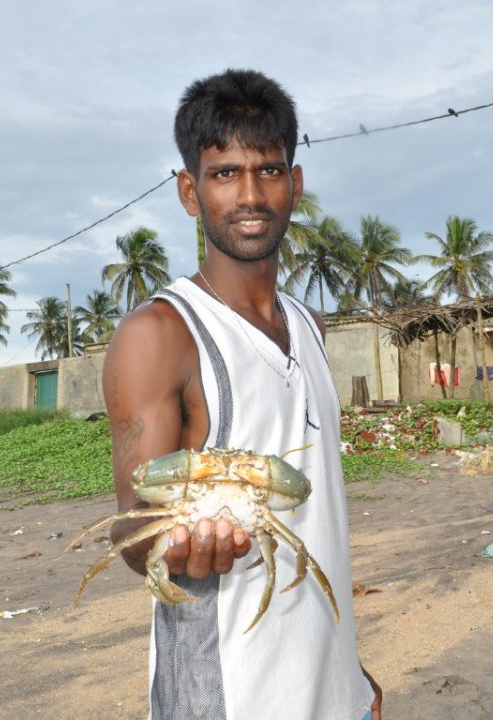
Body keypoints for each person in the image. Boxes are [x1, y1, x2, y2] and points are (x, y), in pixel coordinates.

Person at [102, 69, 381, 720]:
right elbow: (130, 520)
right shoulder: (161, 334)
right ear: (189, 192)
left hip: (330, 691)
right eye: (225, 172)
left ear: (296, 183)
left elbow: (320, 524)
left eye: (269, 170)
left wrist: (351, 676)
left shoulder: (310, 328)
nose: (251, 193)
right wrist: (173, 543)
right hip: (226, 695)